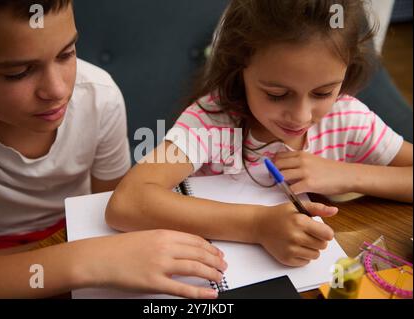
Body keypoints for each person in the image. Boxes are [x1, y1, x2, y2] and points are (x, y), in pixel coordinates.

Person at [106, 0, 413, 268]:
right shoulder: (211, 122)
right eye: (277, 94)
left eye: (323, 92)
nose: (301, 116)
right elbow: (129, 201)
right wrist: (257, 225)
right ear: (239, 69)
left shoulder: (347, 119)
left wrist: (347, 175)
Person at [0, 0, 225, 299]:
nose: (57, 90)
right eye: (18, 72)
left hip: (73, 233)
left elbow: (110, 214)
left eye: (67, 54)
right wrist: (80, 261)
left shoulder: (100, 98)